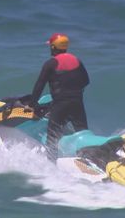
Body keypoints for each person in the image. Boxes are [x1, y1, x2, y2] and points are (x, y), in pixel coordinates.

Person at [28, 33, 90, 161]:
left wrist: (32, 104)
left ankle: (52, 164)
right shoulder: (76, 60)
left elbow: (39, 85)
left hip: (60, 105)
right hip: (77, 103)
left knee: (52, 137)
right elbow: (85, 81)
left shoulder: (51, 63)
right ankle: (88, 160)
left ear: (53, 47)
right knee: (83, 134)